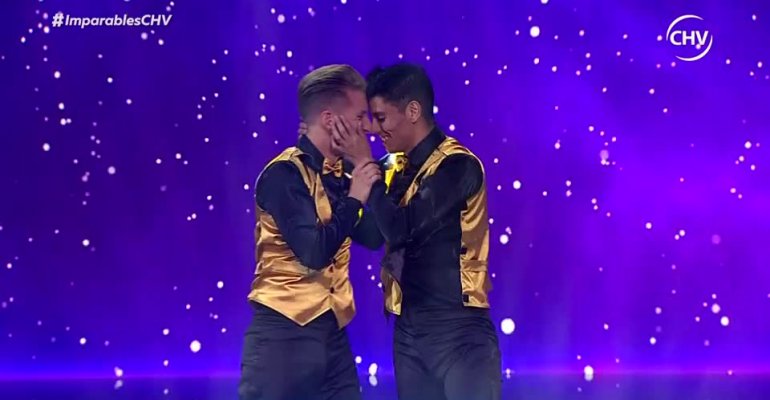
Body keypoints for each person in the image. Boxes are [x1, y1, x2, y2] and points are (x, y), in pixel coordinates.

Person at [331, 63, 502, 400]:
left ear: (412, 111)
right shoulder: (394, 167)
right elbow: (373, 235)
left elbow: (401, 229)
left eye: (381, 118)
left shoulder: (457, 165)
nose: (375, 130)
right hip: (409, 332)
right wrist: (339, 180)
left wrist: (364, 165)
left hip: (459, 331)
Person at [239, 64, 383, 400]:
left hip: (333, 337)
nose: (367, 127)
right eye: (359, 116)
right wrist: (354, 198)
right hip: (283, 341)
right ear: (330, 120)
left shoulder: (340, 176)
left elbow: (375, 236)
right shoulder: (283, 175)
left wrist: (361, 166)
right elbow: (314, 252)